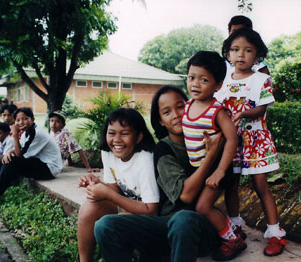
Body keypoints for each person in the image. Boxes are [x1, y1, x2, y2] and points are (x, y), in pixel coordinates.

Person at [94, 86, 225, 262]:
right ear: (161, 121)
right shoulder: (164, 150)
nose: (176, 115)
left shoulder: (212, 137)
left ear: (191, 107)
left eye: (180, 107)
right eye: (167, 112)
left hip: (201, 228)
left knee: (184, 218)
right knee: (105, 225)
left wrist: (214, 149)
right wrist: (210, 156)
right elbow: (185, 195)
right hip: (165, 225)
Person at [215, 28, 287, 256]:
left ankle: (275, 233)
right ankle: (235, 227)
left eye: (248, 50)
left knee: (260, 185)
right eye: (235, 50)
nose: (241, 55)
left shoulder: (261, 79)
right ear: (228, 54)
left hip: (255, 140)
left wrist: (244, 114)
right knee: (231, 184)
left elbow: (261, 108)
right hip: (231, 143)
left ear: (257, 55)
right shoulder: (222, 81)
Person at [182, 51, 246, 261]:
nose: (195, 84)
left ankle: (232, 240)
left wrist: (220, 170)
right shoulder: (187, 106)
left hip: (217, 168)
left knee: (202, 207)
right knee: (198, 206)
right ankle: (231, 230)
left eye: (204, 80)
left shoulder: (216, 110)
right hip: (198, 169)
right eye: (192, 77)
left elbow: (232, 139)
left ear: (218, 85)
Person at [77, 108, 159, 262]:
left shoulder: (145, 159)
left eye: (125, 133)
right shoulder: (108, 152)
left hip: (153, 216)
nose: (117, 140)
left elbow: (151, 210)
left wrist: (108, 194)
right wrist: (97, 183)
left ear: (139, 136)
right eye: (112, 133)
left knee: (114, 223)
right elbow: (116, 186)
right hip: (130, 205)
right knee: (89, 206)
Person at [0, 107, 62, 207]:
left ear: (33, 119)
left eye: (25, 119)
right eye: (18, 120)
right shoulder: (26, 133)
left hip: (50, 169)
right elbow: (19, 149)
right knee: (5, 158)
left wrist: (14, 134)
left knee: (12, 161)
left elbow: (19, 155)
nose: (21, 122)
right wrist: (9, 153)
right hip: (39, 162)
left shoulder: (37, 133)